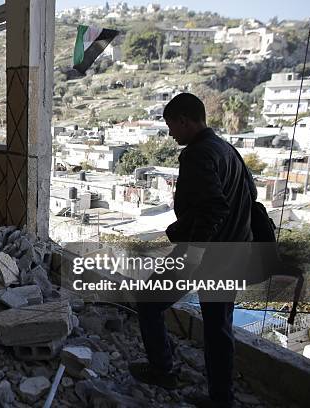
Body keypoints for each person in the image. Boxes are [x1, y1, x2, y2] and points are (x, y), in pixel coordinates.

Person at [128, 93, 256, 408]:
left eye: (172, 126)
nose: (171, 134)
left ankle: (164, 369)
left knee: (147, 300)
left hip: (206, 254)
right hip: (236, 253)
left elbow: (214, 207)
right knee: (218, 329)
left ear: (185, 121)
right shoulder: (228, 149)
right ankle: (221, 399)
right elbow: (250, 193)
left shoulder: (198, 154)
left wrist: (194, 251)